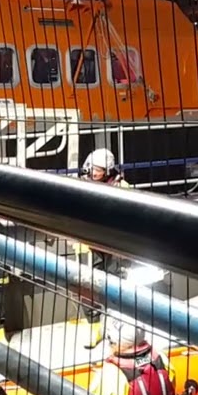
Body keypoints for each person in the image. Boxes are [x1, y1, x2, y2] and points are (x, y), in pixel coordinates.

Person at [71, 148, 131, 349]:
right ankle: (94, 326)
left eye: (100, 170)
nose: (95, 173)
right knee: (86, 286)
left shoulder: (122, 187)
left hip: (114, 244)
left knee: (117, 284)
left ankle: (118, 325)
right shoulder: (81, 186)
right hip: (89, 244)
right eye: (94, 168)